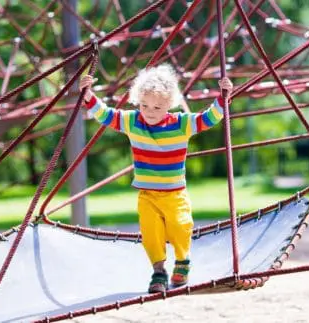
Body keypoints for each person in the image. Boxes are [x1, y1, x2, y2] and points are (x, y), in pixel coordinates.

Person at [79, 64, 233, 293]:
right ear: (137, 101)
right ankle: (159, 271)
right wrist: (88, 95)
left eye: (157, 107)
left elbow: (209, 119)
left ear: (169, 106)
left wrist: (223, 98)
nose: (149, 111)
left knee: (181, 228)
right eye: (144, 105)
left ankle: (182, 261)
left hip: (175, 194)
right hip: (147, 194)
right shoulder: (133, 121)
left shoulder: (181, 124)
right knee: (151, 234)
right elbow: (105, 115)